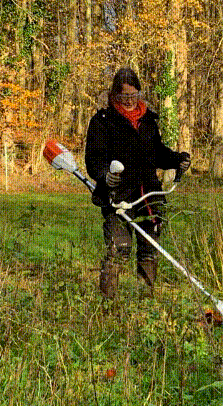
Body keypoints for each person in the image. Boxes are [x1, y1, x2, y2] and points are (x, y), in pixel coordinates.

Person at [85, 67, 191, 299]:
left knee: (149, 249)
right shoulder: (102, 121)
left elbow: (157, 153)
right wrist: (105, 176)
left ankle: (145, 301)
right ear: (115, 95)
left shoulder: (148, 120)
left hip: (149, 194)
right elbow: (94, 159)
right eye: (125, 96)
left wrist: (177, 160)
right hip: (117, 196)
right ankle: (108, 303)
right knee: (119, 249)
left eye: (134, 95)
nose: (130, 100)